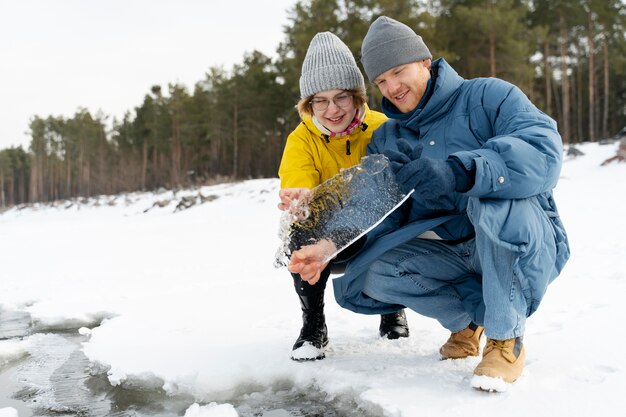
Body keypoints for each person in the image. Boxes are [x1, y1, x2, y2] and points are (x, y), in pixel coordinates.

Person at [289, 17, 570, 390]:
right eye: (381, 81)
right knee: (373, 273)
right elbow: (375, 204)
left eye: (397, 71)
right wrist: (329, 245)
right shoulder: (389, 137)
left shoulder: (489, 96)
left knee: (489, 199)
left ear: (424, 61)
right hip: (452, 251)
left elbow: (543, 150)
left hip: (517, 238)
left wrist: (462, 172)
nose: (392, 87)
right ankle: (469, 323)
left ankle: (504, 340)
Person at [277, 31, 410, 362]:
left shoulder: (383, 127)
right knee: (299, 231)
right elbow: (297, 174)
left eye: (341, 98)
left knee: (402, 222)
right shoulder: (301, 138)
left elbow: (392, 191)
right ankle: (313, 325)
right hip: (328, 239)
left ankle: (392, 310)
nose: (332, 110)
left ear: (358, 97)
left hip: (374, 233)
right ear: (309, 104)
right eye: (320, 101)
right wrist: (299, 194)